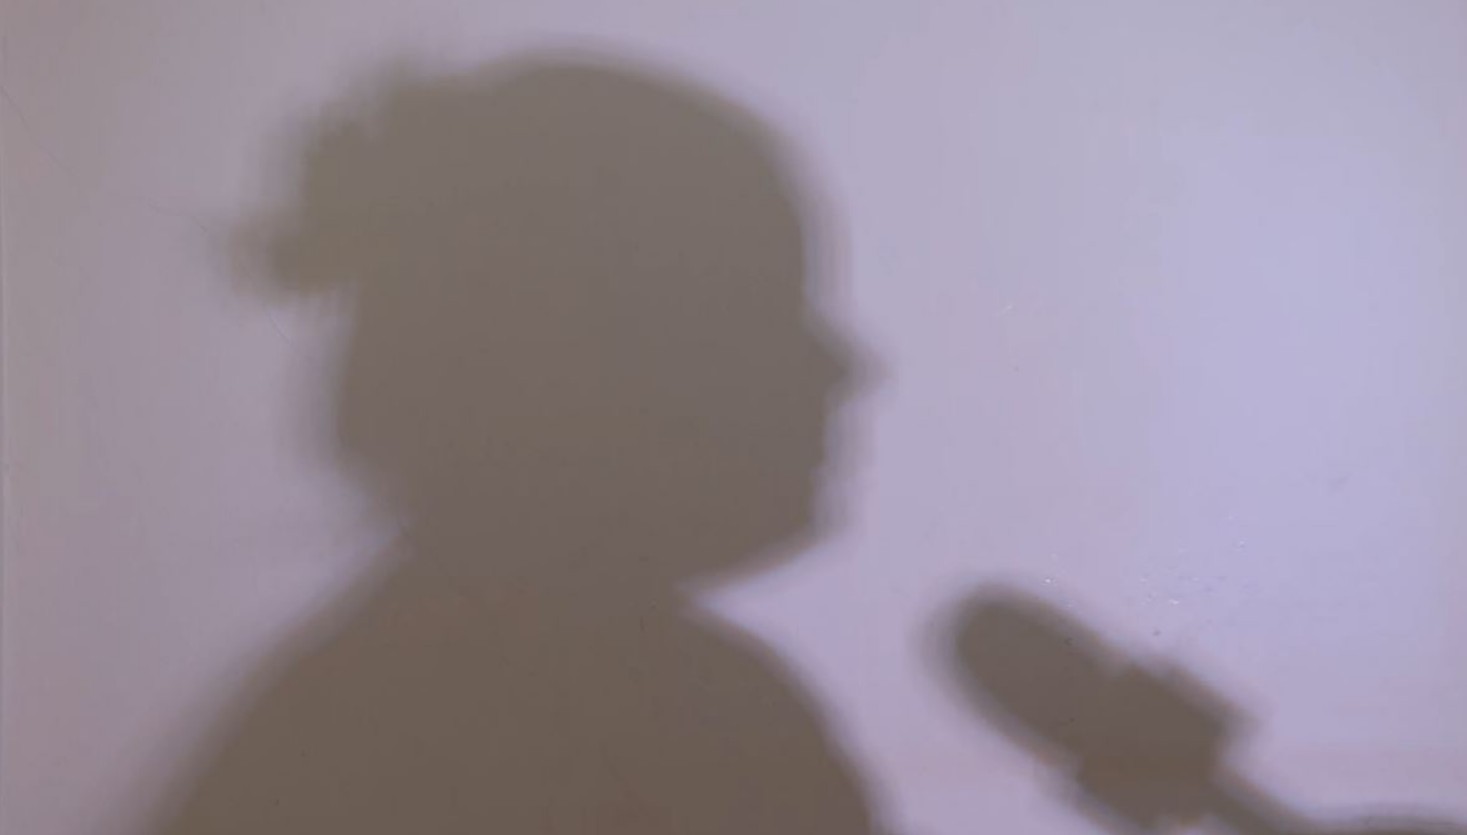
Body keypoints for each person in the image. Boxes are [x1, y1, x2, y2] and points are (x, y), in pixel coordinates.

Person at [149, 55, 873, 835]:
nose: (843, 366)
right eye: (759, 312)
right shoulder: (678, 734)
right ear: (581, 355)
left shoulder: (351, 720)